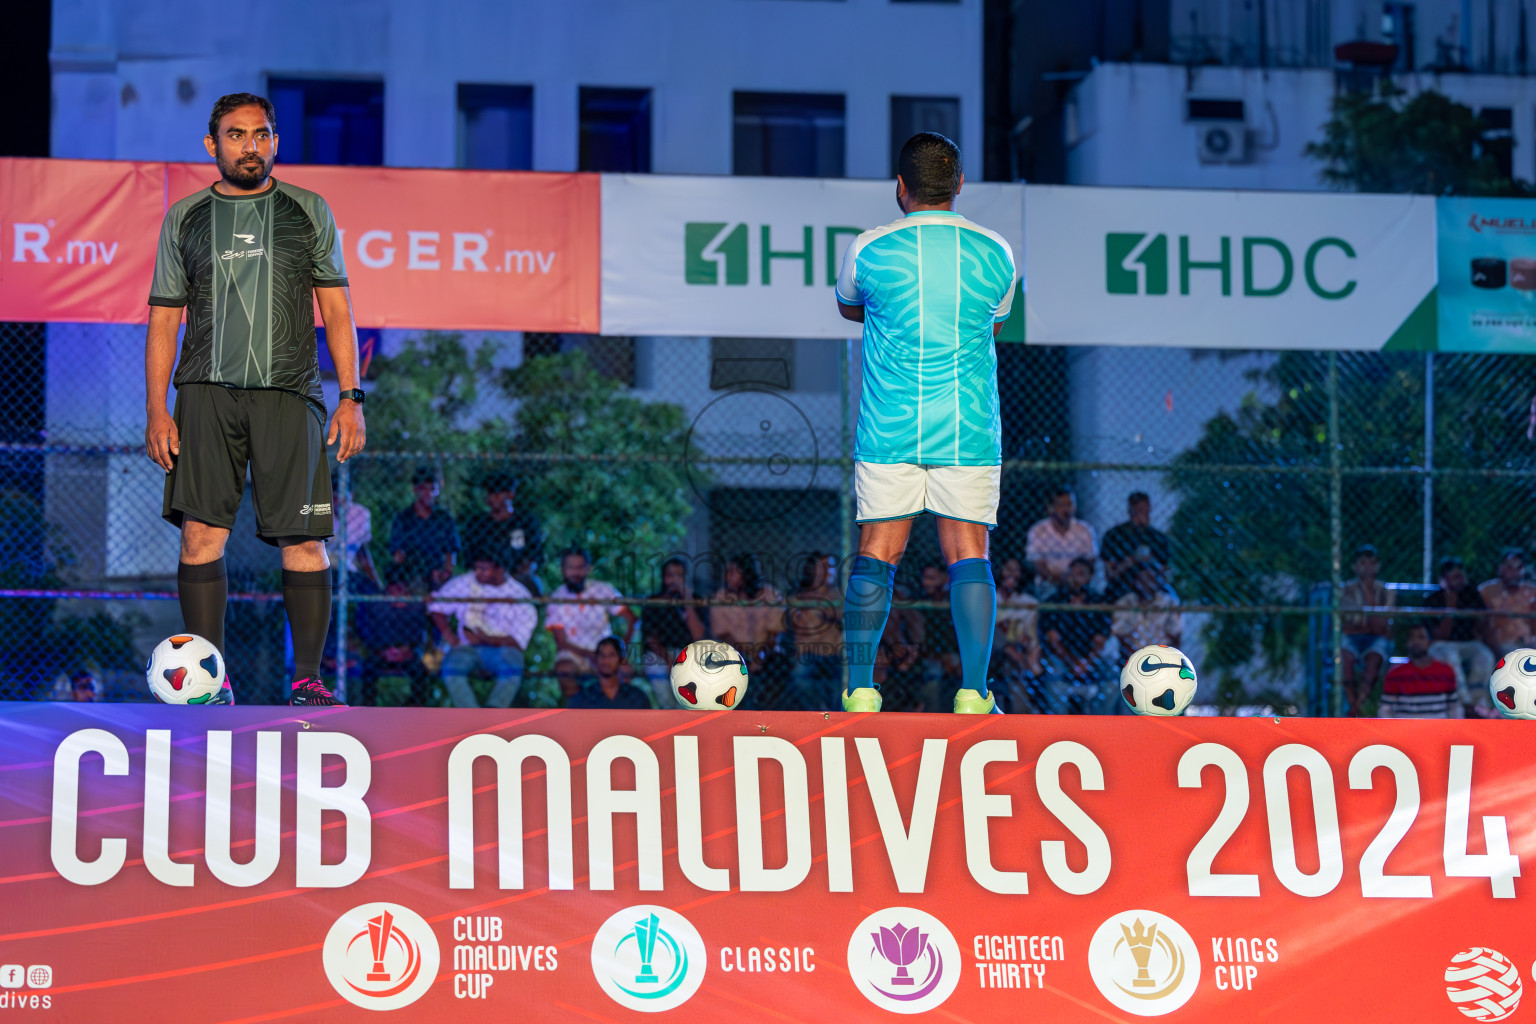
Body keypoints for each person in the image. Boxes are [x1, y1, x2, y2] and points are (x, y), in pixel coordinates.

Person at [143, 92, 364, 707]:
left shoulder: (308, 209)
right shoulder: (184, 217)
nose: (251, 146)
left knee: (306, 541)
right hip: (205, 397)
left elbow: (338, 308)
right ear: (212, 145)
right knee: (200, 536)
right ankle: (209, 686)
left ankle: (309, 682)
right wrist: (157, 408)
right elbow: (164, 319)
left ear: (276, 141)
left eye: (261, 134)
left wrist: (351, 396)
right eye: (236, 135)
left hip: (290, 397)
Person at [835, 131, 1018, 715]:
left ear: (900, 187)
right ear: (960, 186)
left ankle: (861, 690)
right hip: (967, 429)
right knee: (969, 553)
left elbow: (848, 306)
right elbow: (995, 325)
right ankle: (974, 693)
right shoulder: (996, 253)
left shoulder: (868, 249)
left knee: (878, 552)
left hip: (890, 428)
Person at [428, 550, 536, 708]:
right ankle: (473, 716)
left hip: (502, 650)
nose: (478, 573)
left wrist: (486, 639)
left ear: (500, 570)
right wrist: (451, 638)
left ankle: (493, 713)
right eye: (476, 568)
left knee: (513, 667)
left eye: (484, 569)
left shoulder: (520, 595)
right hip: (466, 647)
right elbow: (437, 607)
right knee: (451, 668)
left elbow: (518, 643)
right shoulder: (466, 582)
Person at [1039, 557, 1116, 714]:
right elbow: (1053, 640)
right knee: (1052, 673)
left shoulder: (1098, 602)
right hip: (1062, 658)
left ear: (1089, 578)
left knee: (1113, 678)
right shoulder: (1054, 601)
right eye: (1071, 574)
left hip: (1091, 659)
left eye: (1080, 574)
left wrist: (1086, 663)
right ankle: (1057, 726)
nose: (1075, 578)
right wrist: (1073, 662)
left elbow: (1099, 641)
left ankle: (1101, 726)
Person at [711, 553, 788, 703]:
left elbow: (774, 634)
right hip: (734, 654)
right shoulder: (721, 597)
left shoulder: (770, 594)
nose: (727, 577)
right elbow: (724, 635)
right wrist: (744, 658)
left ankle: (769, 711)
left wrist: (758, 658)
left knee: (779, 665)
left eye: (732, 572)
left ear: (747, 572)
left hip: (766, 653)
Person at [545, 549, 633, 675]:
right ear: (562, 569)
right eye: (570, 567)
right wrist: (591, 656)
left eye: (580, 567)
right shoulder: (556, 598)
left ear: (589, 568)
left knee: (626, 671)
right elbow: (561, 642)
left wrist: (620, 649)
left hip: (605, 652)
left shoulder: (603, 590)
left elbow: (631, 618)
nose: (575, 572)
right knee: (564, 669)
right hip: (572, 654)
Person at [1426, 556, 1495, 715]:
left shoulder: (1471, 595)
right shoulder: (1433, 599)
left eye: (1461, 575)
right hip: (1441, 645)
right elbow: (1440, 635)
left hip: (1468, 642)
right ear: (1444, 578)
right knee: (1451, 655)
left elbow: (1482, 625)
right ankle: (1464, 702)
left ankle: (1478, 701)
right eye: (1454, 576)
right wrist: (1451, 605)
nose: (1460, 580)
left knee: (1484, 654)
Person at [357, 563, 433, 706]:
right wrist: (383, 650)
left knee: (420, 671)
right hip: (382, 651)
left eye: (402, 588)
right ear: (387, 589)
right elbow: (366, 633)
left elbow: (419, 633)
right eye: (394, 589)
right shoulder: (376, 604)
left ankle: (415, 707)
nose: (398, 593)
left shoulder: (415, 605)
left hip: (407, 652)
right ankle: (368, 706)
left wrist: (407, 650)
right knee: (368, 668)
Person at [459, 472, 544, 596]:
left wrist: (517, 575)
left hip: (516, 576)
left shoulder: (524, 521)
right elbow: (470, 557)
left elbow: (534, 555)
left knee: (532, 584)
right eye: (489, 493)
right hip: (485, 575)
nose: (491, 498)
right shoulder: (477, 523)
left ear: (510, 495)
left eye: (497, 494)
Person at [640, 557, 709, 707]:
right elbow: (650, 639)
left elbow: (698, 635)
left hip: (688, 653)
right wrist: (669, 660)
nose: (674, 581)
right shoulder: (653, 601)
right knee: (656, 669)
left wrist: (687, 600)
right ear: (663, 578)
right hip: (659, 655)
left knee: (686, 699)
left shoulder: (695, 600)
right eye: (670, 576)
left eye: (679, 576)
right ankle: (667, 715)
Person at [1339, 544, 1393, 716]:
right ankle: (1351, 702)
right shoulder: (1345, 589)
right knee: (1344, 657)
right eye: (1363, 563)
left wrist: (1367, 619)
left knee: (1374, 657)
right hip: (1352, 637)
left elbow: (1382, 623)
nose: (1367, 567)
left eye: (1372, 563)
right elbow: (1348, 622)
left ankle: (1359, 702)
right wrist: (1369, 621)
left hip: (1375, 638)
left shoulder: (1385, 590)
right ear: (1354, 566)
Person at [390, 467, 460, 592]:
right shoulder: (403, 518)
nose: (428, 494)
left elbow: (451, 552)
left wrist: (446, 572)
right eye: (423, 489)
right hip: (411, 570)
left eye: (432, 489)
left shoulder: (444, 518)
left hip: (437, 568)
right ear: (415, 489)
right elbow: (398, 555)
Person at [787, 552, 841, 710]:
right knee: (800, 677)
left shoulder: (839, 594)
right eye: (823, 566)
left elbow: (843, 618)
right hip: (808, 652)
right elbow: (794, 623)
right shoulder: (799, 595)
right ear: (812, 570)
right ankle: (817, 712)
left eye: (831, 566)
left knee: (843, 681)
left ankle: (836, 715)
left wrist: (824, 613)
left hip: (834, 653)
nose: (829, 570)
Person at [1379, 622, 1461, 719]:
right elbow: (1385, 710)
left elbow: (1455, 708)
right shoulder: (1396, 674)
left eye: (1421, 637)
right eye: (1412, 637)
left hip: (1437, 730)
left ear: (1430, 642)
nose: (1415, 641)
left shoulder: (1445, 672)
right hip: (1406, 730)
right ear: (1407, 643)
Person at [993, 557, 1042, 712]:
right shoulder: (988, 597)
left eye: (1016, 570)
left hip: (1017, 651)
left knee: (1015, 668)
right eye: (1008, 569)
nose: (1012, 574)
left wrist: (1029, 651)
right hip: (991, 651)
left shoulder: (1029, 602)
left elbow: (1030, 636)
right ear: (1000, 571)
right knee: (994, 633)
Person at [1100, 492, 1171, 598]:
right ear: (1130, 510)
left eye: (1144, 511)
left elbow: (1166, 573)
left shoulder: (1159, 538)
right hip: (1122, 588)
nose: (1141, 515)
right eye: (1138, 511)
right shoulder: (1114, 535)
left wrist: (1153, 567)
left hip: (1152, 588)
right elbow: (1109, 574)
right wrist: (1129, 562)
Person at [1025, 488, 1098, 592]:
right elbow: (1037, 564)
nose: (1066, 509)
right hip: (1049, 585)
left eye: (1069, 504)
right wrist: (1060, 580)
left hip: (1080, 584)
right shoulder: (1038, 531)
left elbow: (1091, 560)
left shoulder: (1085, 530)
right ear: (1050, 508)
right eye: (1060, 505)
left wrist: (1077, 579)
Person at [1111, 562, 1182, 654]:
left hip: (1162, 652)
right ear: (1135, 581)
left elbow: (1176, 634)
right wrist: (1136, 656)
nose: (1146, 584)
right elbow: (1118, 633)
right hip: (1133, 653)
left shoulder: (1167, 602)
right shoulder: (1126, 602)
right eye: (1142, 579)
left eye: (1150, 578)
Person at [1478, 547, 1536, 657]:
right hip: (1501, 641)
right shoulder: (1487, 590)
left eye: (1519, 568)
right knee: (1515, 654)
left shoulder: (1532, 591)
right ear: (1501, 568)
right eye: (1510, 568)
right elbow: (1482, 625)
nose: (1514, 573)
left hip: (1528, 640)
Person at [567, 637, 654, 710]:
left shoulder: (637, 697)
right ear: (595, 659)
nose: (606, 660)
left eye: (611, 655)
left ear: (621, 660)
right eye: (602, 655)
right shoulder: (582, 698)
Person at [326, 471, 378, 587]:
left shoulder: (360, 514)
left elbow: (362, 550)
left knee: (369, 590)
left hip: (348, 568)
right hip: (323, 568)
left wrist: (375, 581)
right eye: (334, 496)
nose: (338, 500)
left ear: (351, 495)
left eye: (342, 494)